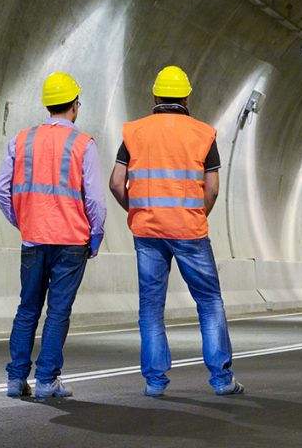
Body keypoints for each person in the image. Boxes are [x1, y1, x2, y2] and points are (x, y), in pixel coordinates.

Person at [109, 65, 242, 397]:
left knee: (151, 306)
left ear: (155, 95)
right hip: (189, 230)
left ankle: (155, 382)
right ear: (185, 97)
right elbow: (211, 188)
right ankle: (222, 380)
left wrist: (138, 210)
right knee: (209, 301)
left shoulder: (134, 131)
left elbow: (115, 182)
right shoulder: (203, 133)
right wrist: (196, 213)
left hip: (147, 230)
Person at [0, 71, 106, 399]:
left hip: (33, 238)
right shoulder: (83, 144)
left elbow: (1, 190)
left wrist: (23, 220)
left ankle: (16, 380)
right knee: (58, 310)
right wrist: (95, 235)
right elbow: (95, 199)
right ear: (74, 105)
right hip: (72, 242)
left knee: (27, 307)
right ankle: (46, 380)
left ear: (47, 105)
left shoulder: (21, 140)